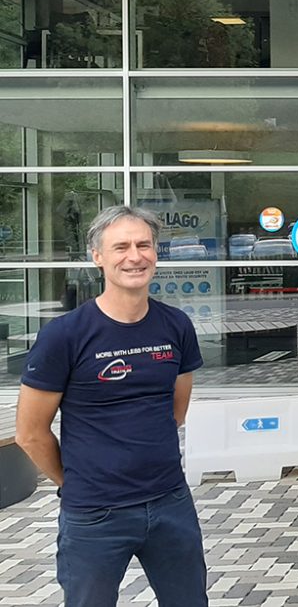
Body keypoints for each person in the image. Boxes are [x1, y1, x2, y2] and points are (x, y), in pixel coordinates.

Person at [14, 206, 208, 607]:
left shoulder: (176, 326)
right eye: (120, 247)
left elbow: (176, 411)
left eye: (144, 245)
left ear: (156, 252)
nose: (134, 256)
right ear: (97, 256)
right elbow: (30, 434)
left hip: (170, 502)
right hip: (94, 516)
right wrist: (78, 483)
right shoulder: (64, 336)